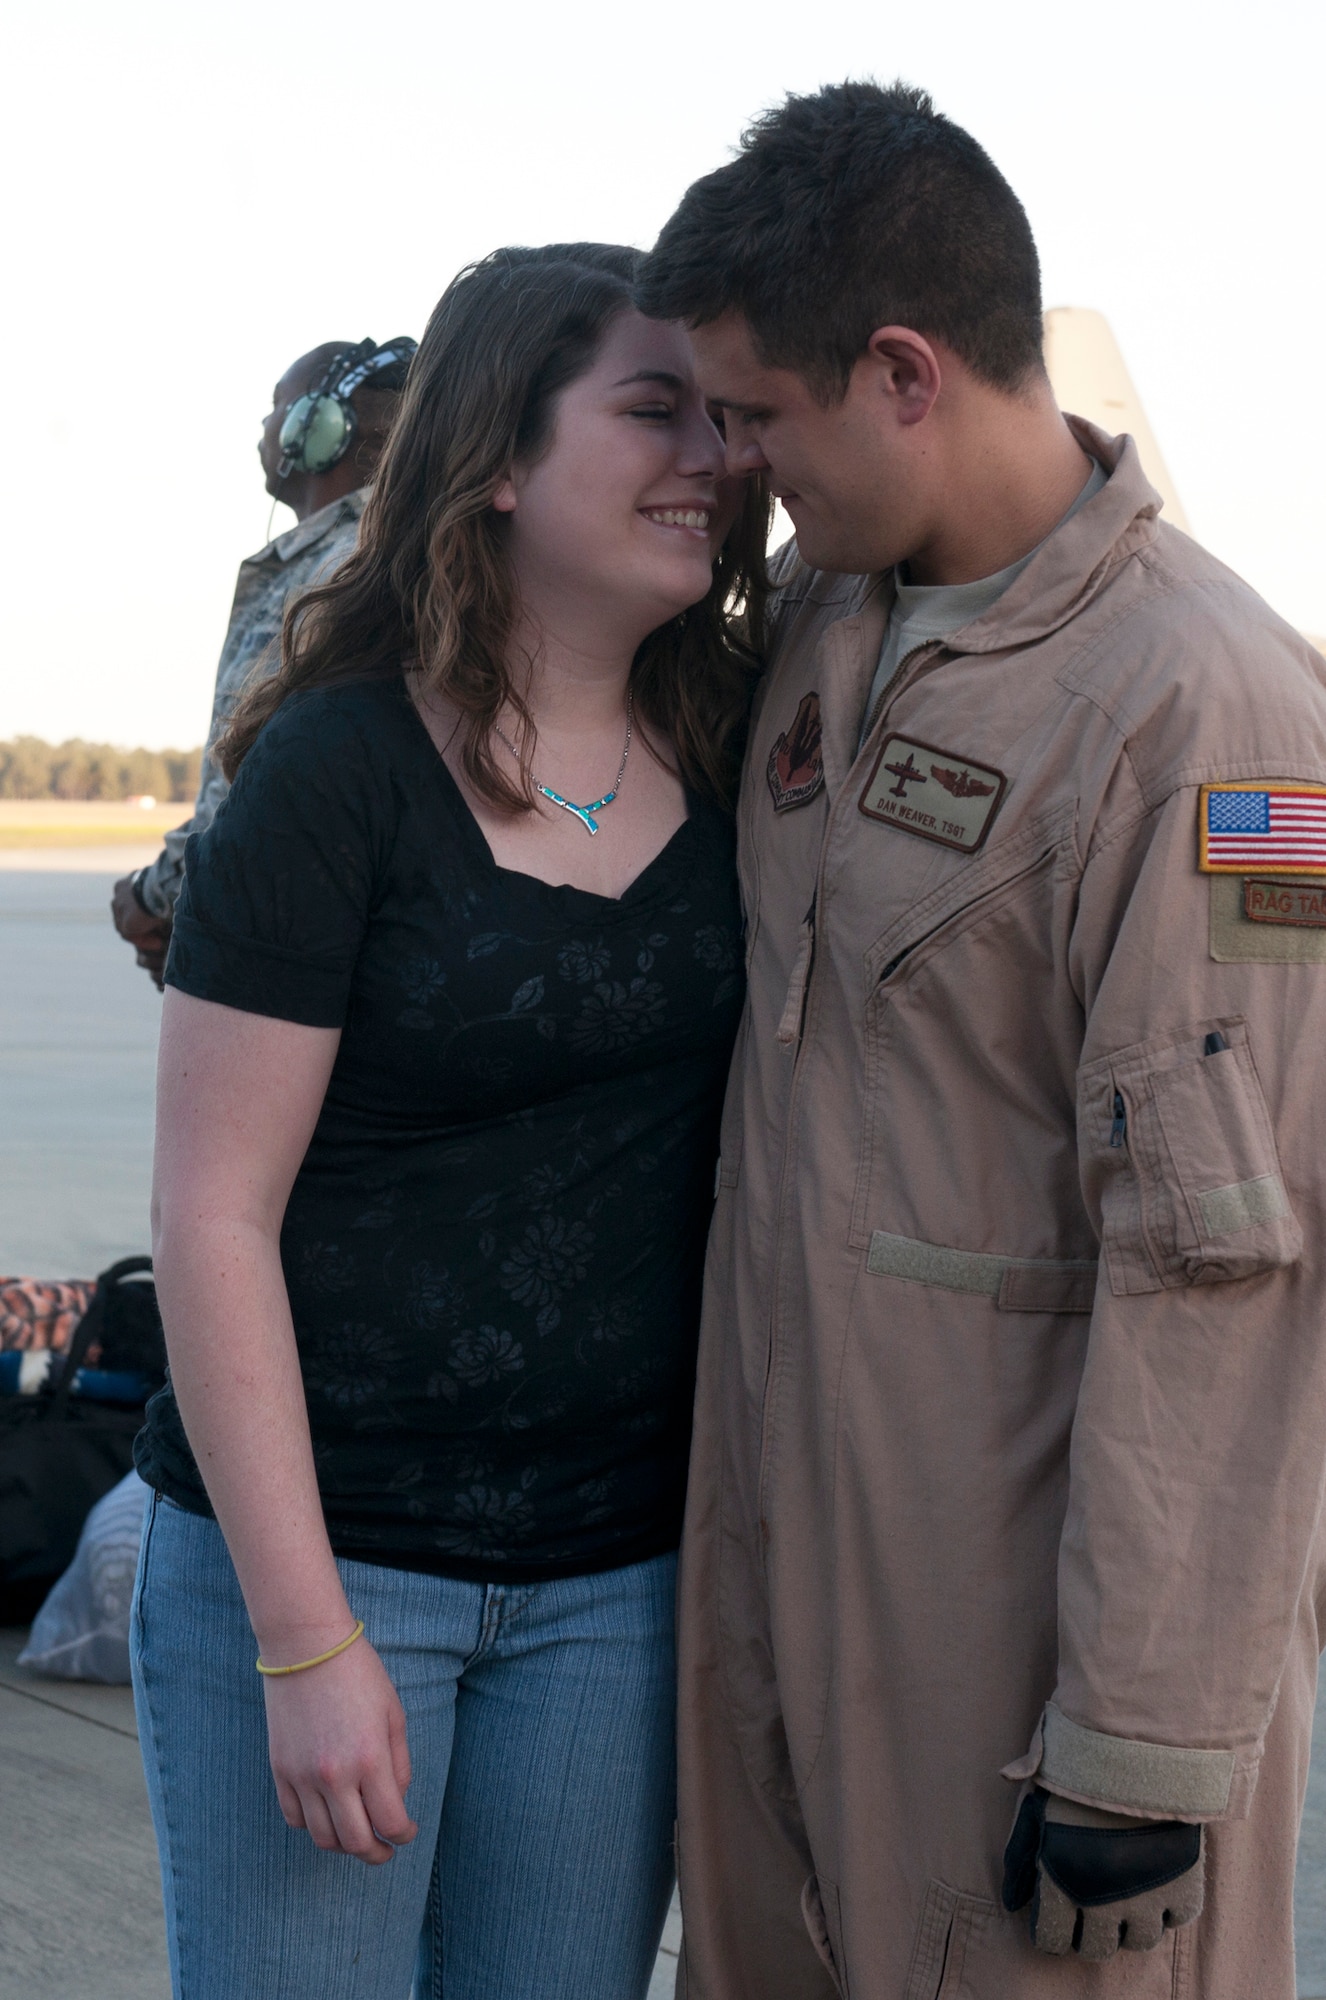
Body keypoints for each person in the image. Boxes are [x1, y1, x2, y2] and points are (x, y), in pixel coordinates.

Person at [636, 82, 1326, 1998]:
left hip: (1030, 1631)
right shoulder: (833, 622)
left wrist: (1136, 1737)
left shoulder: (1212, 724)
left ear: (900, 371)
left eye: (756, 415)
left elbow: (1234, 1258)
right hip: (791, 1552)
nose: (733, 467)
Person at [129, 244, 768, 1999]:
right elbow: (209, 1220)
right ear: (496, 454)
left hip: (611, 1596)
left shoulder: (739, 756)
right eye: (651, 409)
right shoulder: (333, 778)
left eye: (722, 417)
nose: (707, 451)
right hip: (336, 1568)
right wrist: (300, 1636)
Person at [110, 336, 415, 984]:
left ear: (322, 426)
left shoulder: (337, 572)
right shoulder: (378, 551)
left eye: (279, 405)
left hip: (272, 933)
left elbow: (247, 778)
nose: (265, 425)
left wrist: (152, 897)